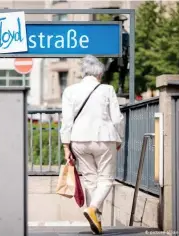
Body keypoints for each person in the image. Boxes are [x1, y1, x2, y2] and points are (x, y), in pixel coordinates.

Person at [59, 55, 124, 235]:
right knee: (106, 179)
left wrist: (66, 146)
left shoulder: (70, 91)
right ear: (100, 74)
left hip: (79, 140)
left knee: (90, 180)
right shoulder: (107, 89)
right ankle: (93, 209)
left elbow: (66, 121)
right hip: (104, 138)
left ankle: (97, 220)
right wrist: (119, 138)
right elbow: (117, 118)